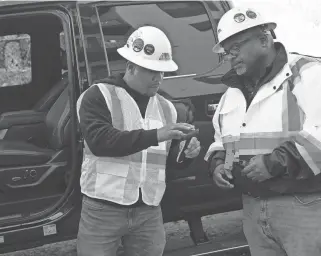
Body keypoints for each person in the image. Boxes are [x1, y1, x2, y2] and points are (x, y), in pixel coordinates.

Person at [205, 6, 321, 256]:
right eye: (226, 52)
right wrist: (218, 164)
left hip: (303, 203)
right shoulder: (231, 94)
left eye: (235, 47)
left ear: (264, 39)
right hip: (253, 208)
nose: (231, 56)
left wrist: (275, 162)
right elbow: (222, 141)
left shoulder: (307, 73)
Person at [76, 26, 201, 256]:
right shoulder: (98, 95)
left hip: (148, 211)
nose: (158, 78)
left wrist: (185, 155)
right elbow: (100, 142)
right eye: (151, 70)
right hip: (103, 208)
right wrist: (157, 135)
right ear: (130, 66)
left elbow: (167, 164)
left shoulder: (167, 107)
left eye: (162, 71)